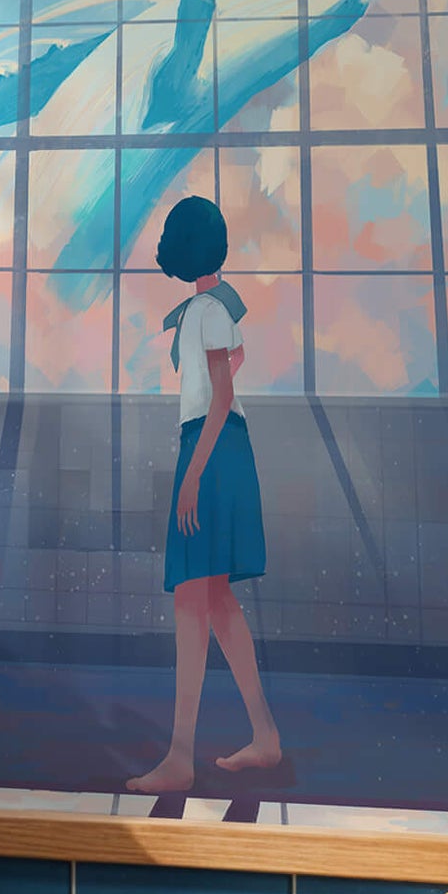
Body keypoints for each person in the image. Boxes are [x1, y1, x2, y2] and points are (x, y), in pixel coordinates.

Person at [127, 195, 283, 794]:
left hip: (211, 450)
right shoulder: (210, 310)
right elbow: (230, 368)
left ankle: (180, 757)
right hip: (220, 447)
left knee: (195, 599)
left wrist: (191, 475)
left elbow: (218, 397)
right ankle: (263, 736)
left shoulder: (206, 312)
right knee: (213, 600)